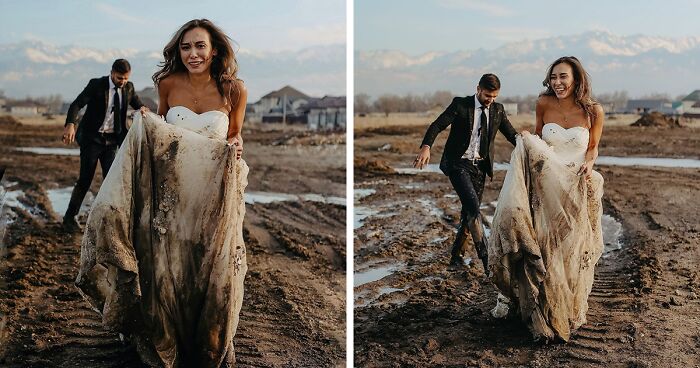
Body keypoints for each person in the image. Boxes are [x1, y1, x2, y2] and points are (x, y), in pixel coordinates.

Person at [75, 19, 248, 367]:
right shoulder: (167, 83)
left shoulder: (235, 90)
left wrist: (236, 145)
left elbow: (235, 136)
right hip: (172, 194)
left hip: (214, 195)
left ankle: (211, 340)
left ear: (214, 49)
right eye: (186, 47)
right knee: (168, 268)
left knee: (212, 269)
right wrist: (146, 119)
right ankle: (168, 337)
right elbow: (163, 132)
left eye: (200, 46)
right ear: (177, 51)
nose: (193, 54)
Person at [488, 56, 605, 342]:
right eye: (553, 77)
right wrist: (528, 138)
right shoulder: (543, 103)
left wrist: (589, 165)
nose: (558, 83)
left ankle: (566, 306)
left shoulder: (594, 110)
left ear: (576, 78)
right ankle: (538, 303)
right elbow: (540, 141)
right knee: (543, 243)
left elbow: (592, 149)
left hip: (575, 182)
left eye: (563, 77)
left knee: (570, 246)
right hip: (547, 185)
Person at [414, 74, 518, 270]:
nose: (491, 100)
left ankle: (456, 256)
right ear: (478, 89)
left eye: (494, 96)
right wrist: (426, 146)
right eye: (488, 95)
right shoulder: (460, 105)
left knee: (468, 212)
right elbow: (437, 125)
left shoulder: (497, 110)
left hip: (480, 167)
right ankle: (487, 260)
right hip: (458, 164)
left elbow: (511, 134)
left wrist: (530, 145)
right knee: (473, 207)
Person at [62, 59, 148, 232]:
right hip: (92, 139)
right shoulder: (97, 85)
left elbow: (140, 106)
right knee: (85, 179)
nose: (122, 82)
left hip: (112, 142)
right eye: (119, 78)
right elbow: (76, 104)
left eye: (125, 78)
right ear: (112, 72)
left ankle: (108, 220)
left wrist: (143, 110)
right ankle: (69, 219)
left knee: (112, 181)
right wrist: (70, 124)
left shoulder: (129, 88)